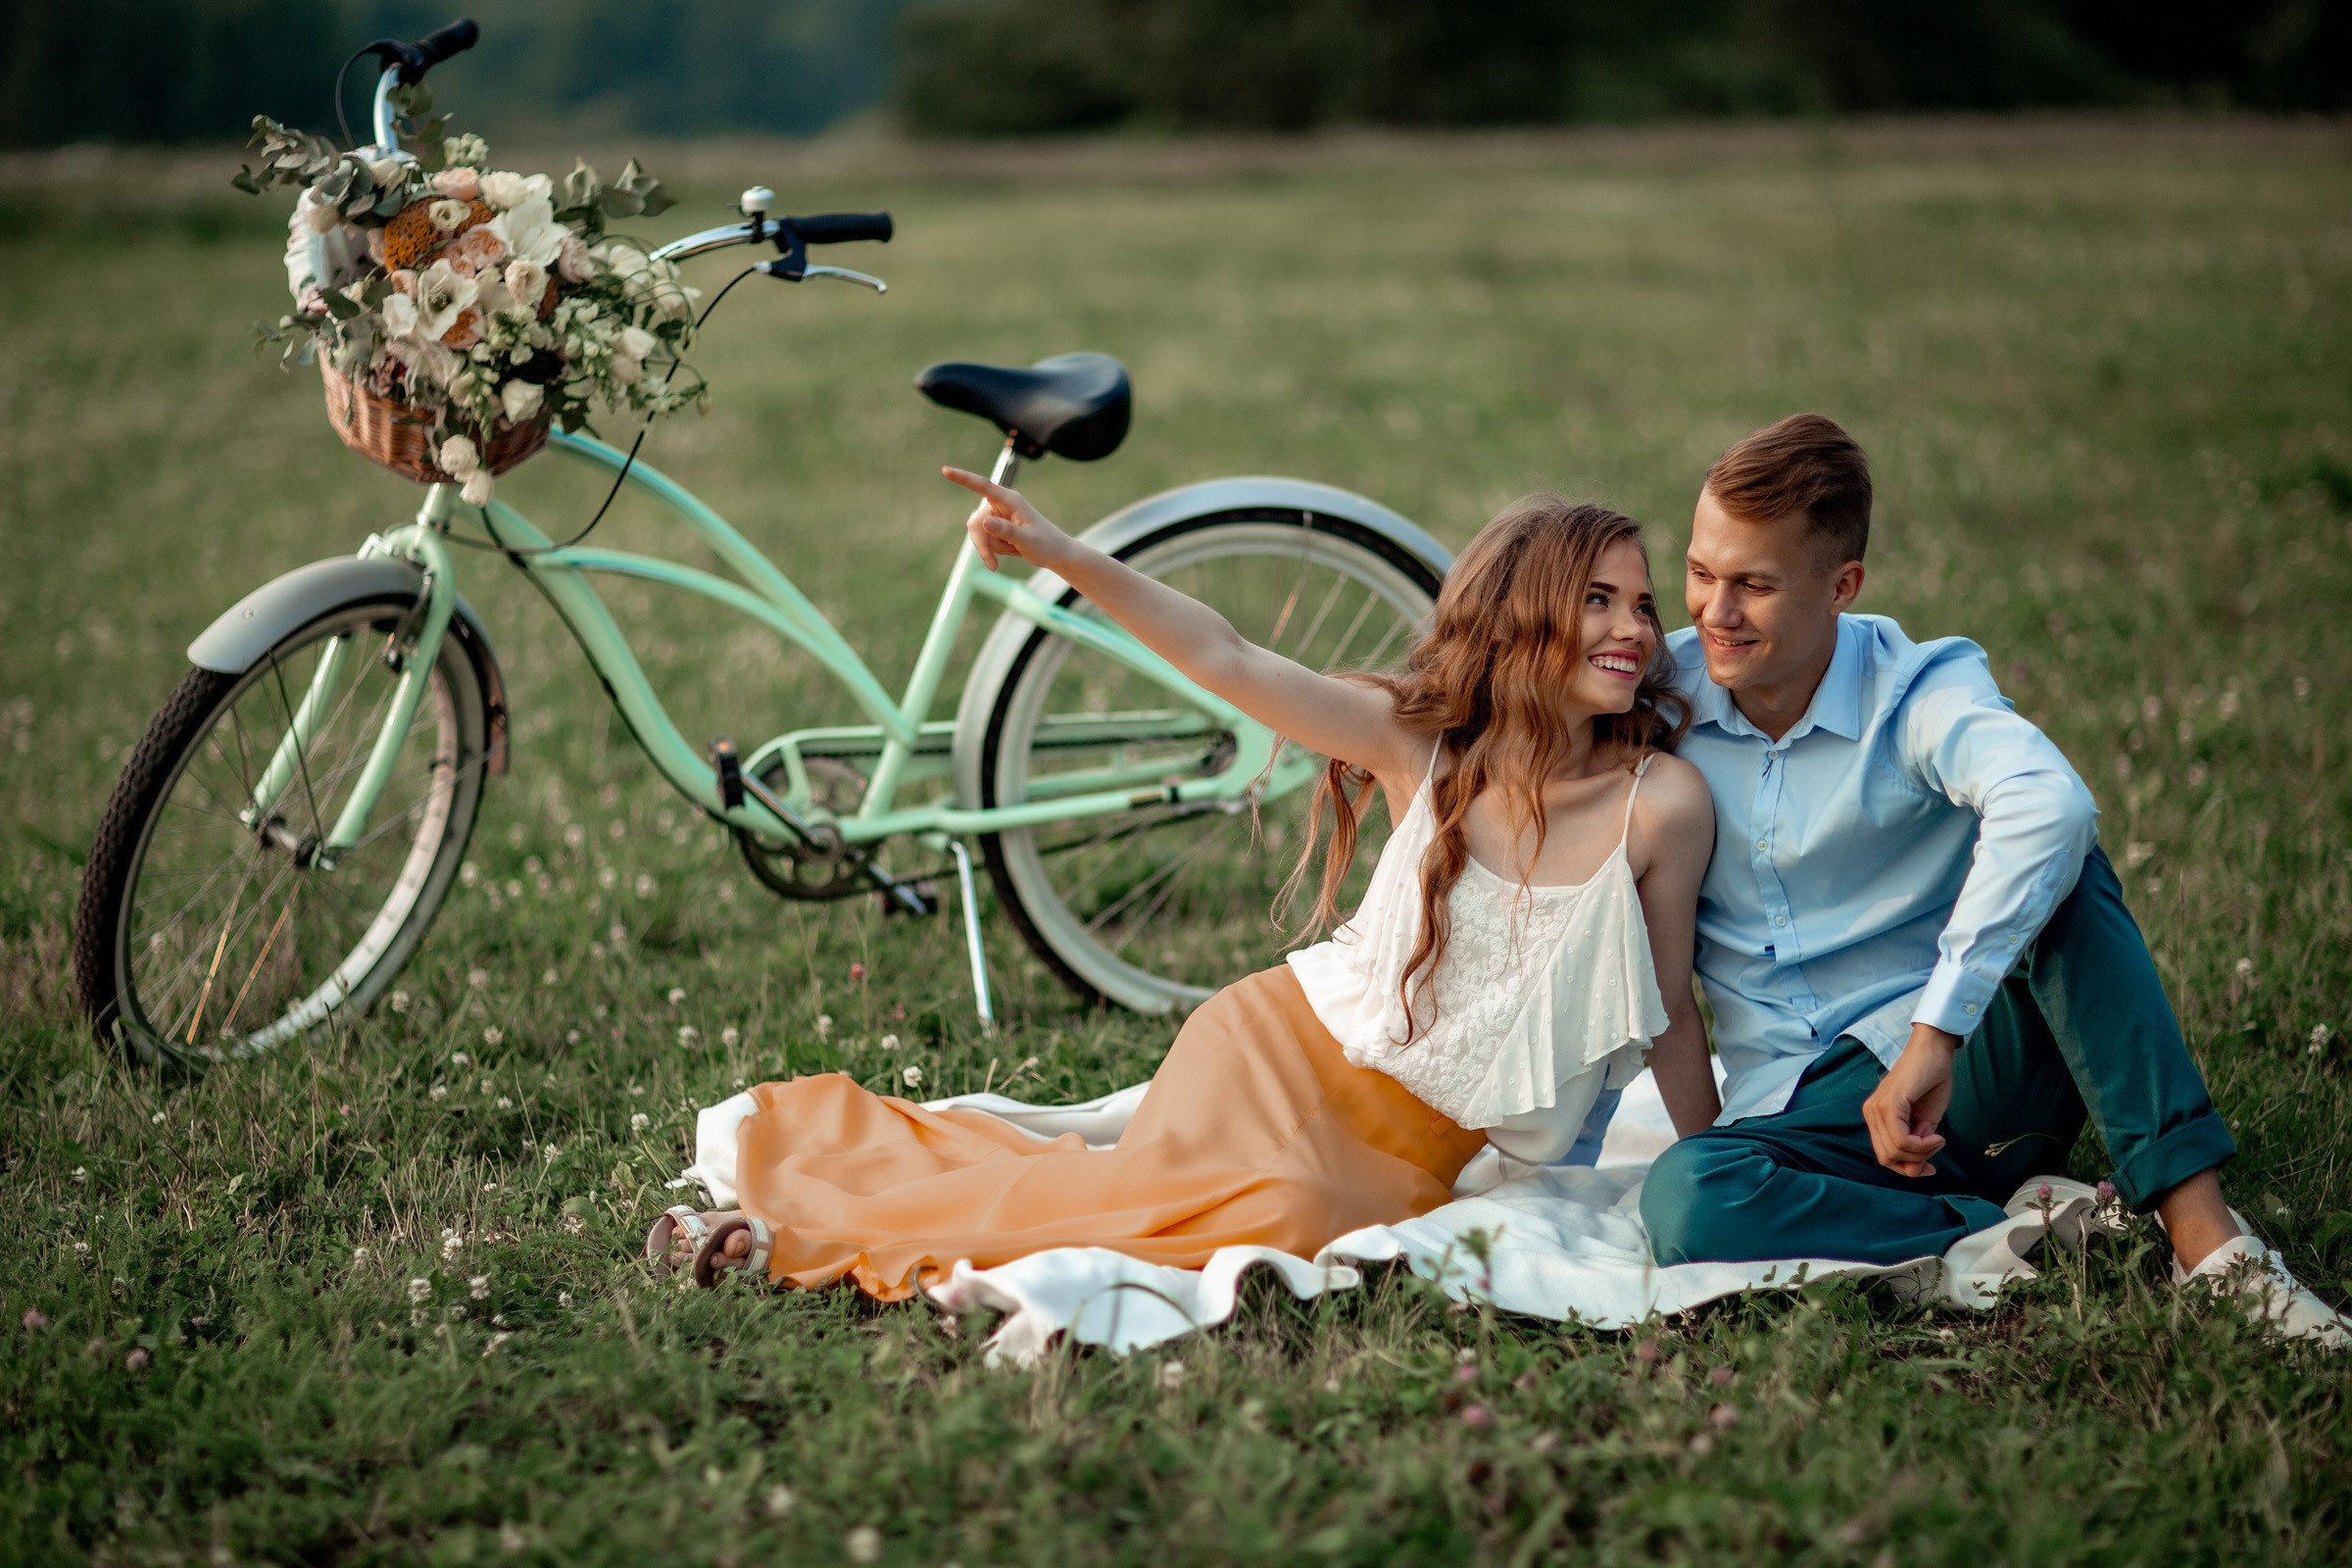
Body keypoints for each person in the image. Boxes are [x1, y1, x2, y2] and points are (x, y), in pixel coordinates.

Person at [645, 479, 1721, 1295]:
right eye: (1595, 600)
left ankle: (851, 1216)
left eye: (1638, 602)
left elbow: (1668, 1006)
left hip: (1412, 1150)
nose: (1633, 629)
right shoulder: (1424, 743)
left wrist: (1714, 1160)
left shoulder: (1659, 804)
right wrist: (1064, 553)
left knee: (1272, 1211)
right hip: (1278, 1044)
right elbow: (1230, 656)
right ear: (1526, 614)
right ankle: (798, 1239)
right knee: (1165, 1204)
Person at [1637, 414, 2346, 1345]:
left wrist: (1933, 1036)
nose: (1714, 612)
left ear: (1841, 587)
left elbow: (2049, 805)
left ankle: (2210, 1247)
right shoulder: (1666, 700)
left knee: (2064, 872)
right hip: (1801, 1114)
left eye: (1754, 586)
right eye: (1699, 572)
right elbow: (1503, 736)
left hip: (1969, 1074)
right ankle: (2010, 1234)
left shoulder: (1919, 688)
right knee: (1689, 1198)